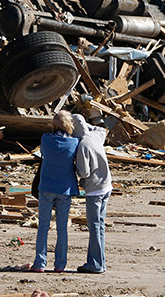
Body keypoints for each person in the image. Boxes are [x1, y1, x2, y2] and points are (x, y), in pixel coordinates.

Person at [31, 110, 80, 273]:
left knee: (43, 227)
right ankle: (60, 265)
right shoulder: (74, 143)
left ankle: (39, 263)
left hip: (46, 187)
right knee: (62, 229)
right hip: (65, 188)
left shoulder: (45, 139)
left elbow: (43, 155)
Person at [72, 113, 112, 274]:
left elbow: (84, 172)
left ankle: (95, 264)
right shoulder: (95, 136)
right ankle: (98, 263)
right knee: (99, 226)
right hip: (106, 185)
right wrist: (85, 128)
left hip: (94, 190)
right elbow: (100, 129)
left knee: (94, 227)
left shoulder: (82, 146)